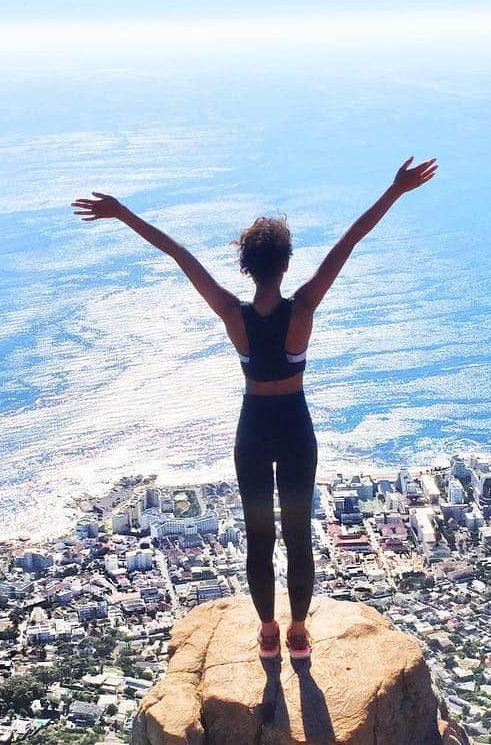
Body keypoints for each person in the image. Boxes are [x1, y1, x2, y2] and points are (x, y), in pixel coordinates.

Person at [71, 155, 438, 659]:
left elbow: (179, 255)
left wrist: (123, 213)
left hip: (252, 428)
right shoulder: (303, 307)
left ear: (246, 266)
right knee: (298, 536)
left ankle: (267, 631)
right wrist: (394, 190)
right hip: (294, 425)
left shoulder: (230, 312)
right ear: (286, 264)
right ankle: (299, 632)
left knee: (259, 536)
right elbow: (348, 243)